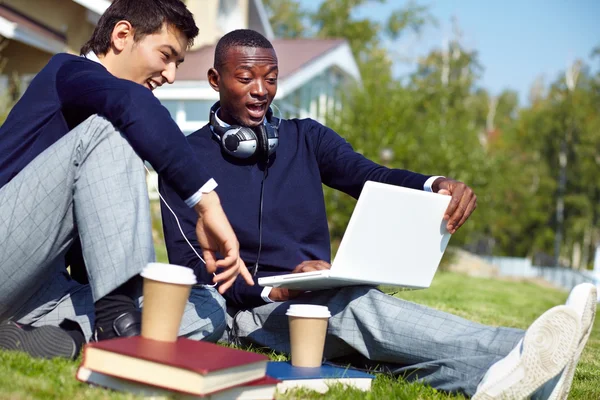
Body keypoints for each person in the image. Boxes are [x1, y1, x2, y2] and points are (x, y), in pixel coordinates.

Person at [159, 29, 596, 398]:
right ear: (216, 79)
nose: (261, 90)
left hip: (316, 290)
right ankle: (523, 348)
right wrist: (271, 294)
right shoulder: (183, 159)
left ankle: (514, 383)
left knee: (385, 353)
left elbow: (370, 174)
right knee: (359, 310)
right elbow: (191, 267)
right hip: (250, 308)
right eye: (246, 77)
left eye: (271, 78)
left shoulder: (307, 137)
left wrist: (433, 185)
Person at [0, 0, 253, 360]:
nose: (170, 75)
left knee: (204, 303)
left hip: (42, 293)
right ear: (122, 35)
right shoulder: (66, 70)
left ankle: (62, 340)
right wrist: (207, 204)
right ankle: (118, 329)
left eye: (177, 63)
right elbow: (131, 105)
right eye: (166, 55)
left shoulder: (117, 104)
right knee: (112, 130)